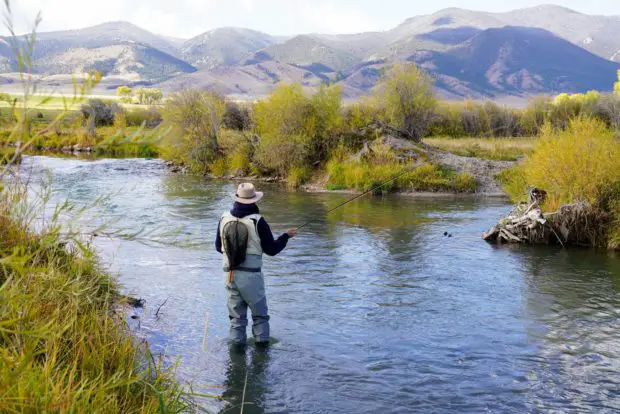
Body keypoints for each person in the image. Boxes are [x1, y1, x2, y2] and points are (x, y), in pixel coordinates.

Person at [215, 183, 296, 346]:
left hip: (229, 275)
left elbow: (218, 247)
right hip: (251, 276)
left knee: (236, 319)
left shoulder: (224, 218)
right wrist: (285, 236)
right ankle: (262, 358)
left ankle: (236, 357)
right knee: (260, 317)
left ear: (237, 198)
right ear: (254, 201)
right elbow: (271, 250)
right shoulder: (258, 221)